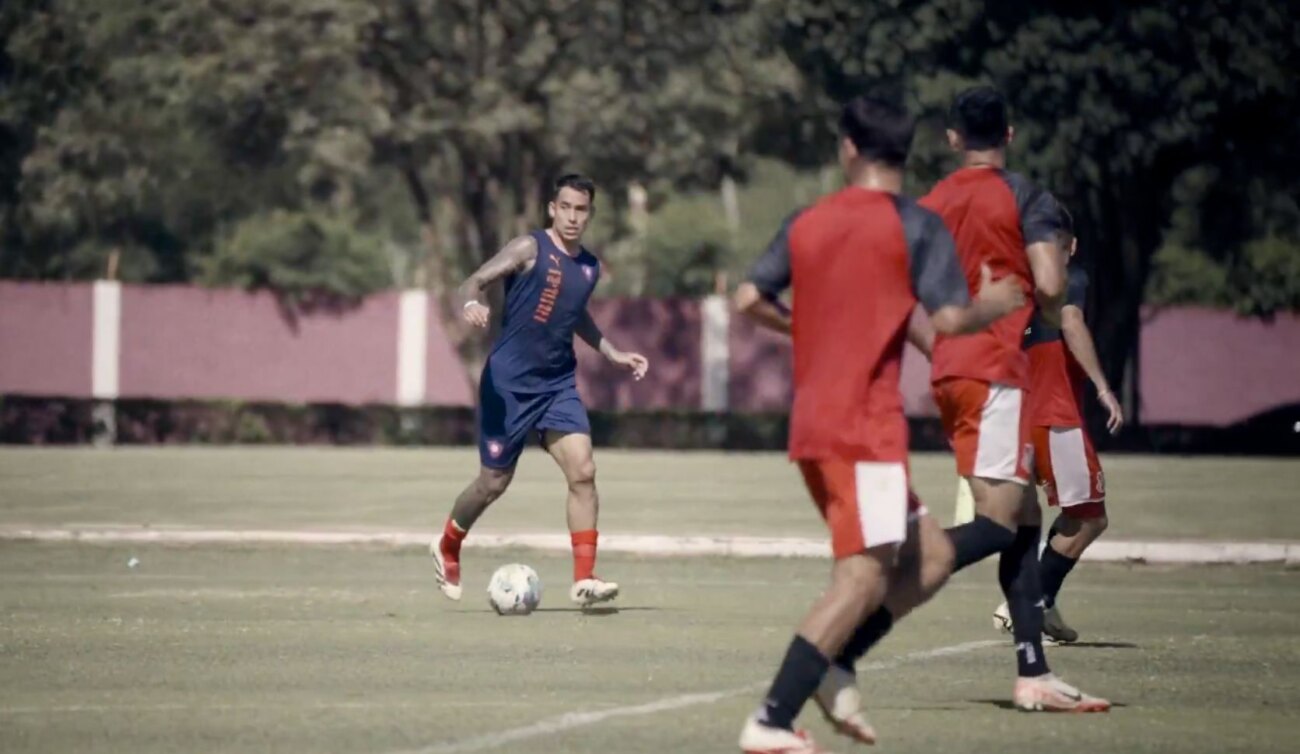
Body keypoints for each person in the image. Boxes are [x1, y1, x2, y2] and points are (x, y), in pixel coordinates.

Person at [732, 94, 1026, 754]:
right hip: (860, 432)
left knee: (934, 556)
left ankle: (836, 664)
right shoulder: (916, 226)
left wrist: (795, 324)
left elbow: (749, 297)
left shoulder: (808, 220)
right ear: (906, 152)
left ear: (847, 149)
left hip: (822, 425)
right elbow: (949, 321)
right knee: (863, 577)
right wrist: (997, 303)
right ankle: (772, 718)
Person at [919, 85, 1108, 711]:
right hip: (998, 370)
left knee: (1024, 516)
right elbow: (1053, 285)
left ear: (952, 138)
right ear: (1010, 134)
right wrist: (1038, 299)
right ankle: (894, 564)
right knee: (1000, 524)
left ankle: (1034, 671)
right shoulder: (1027, 196)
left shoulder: (930, 203)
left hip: (951, 370)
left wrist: (941, 346)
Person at [430, 174, 649, 608]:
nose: (572, 216)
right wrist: (474, 302)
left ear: (589, 213)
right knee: (493, 483)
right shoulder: (529, 248)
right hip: (507, 387)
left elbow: (575, 315)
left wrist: (611, 352)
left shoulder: (589, 267)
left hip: (556, 385)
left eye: (580, 209)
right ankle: (448, 545)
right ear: (552, 208)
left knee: (583, 472)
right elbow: (473, 281)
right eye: (565, 207)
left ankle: (584, 579)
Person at [993, 206, 1125, 643]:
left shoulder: (1016, 288)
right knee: (1090, 518)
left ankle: (1040, 601)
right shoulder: (1071, 278)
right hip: (1056, 413)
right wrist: (1104, 388)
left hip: (1017, 413)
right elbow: (1071, 322)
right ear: (1071, 247)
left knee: (1038, 516)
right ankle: (1032, 599)